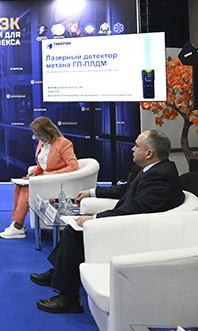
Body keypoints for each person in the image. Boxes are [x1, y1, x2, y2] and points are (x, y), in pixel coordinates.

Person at [30, 129, 183, 314]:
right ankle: (58, 273)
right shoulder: (148, 169)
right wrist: (92, 192)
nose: (132, 149)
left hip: (141, 232)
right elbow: (125, 191)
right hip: (132, 222)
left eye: (137, 146)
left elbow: (135, 210)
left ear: (149, 153)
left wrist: (94, 219)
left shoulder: (160, 176)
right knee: (73, 230)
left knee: (75, 232)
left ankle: (68, 298)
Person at [0, 116, 78, 239]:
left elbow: (74, 167)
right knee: (19, 186)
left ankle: (18, 227)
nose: (37, 137)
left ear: (48, 131)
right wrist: (34, 172)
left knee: (27, 190)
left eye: (39, 134)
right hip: (45, 180)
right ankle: (16, 223)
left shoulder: (64, 143)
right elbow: (42, 165)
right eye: (36, 134)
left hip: (58, 183)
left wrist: (49, 174)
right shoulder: (42, 143)